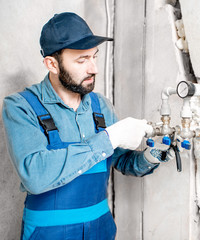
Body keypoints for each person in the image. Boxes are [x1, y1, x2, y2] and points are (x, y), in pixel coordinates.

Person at [2, 12, 173, 240]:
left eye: (94, 57)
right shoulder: (20, 106)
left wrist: (151, 156)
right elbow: (35, 175)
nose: (94, 69)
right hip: (49, 233)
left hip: (100, 228)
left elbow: (121, 160)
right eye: (82, 60)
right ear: (52, 64)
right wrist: (109, 138)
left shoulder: (100, 105)